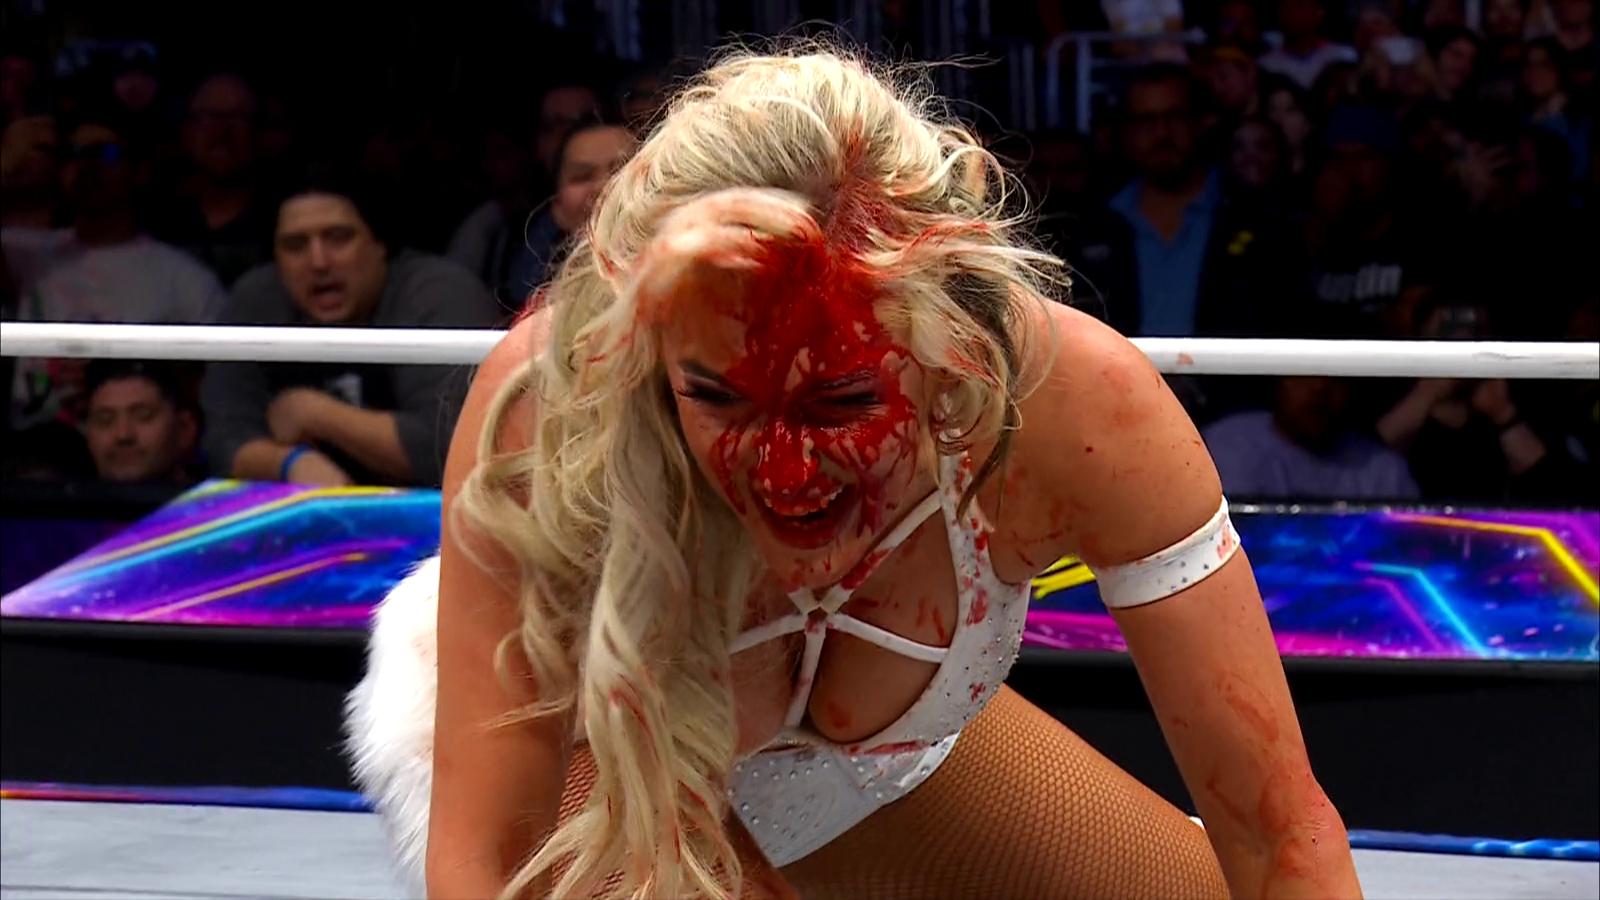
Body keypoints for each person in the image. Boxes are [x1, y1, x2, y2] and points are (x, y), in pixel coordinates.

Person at [345, 49, 1363, 900]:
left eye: (839, 399)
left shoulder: (1078, 402)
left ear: (949, 347)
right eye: (718, 398)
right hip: (597, 752)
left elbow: (1278, 832)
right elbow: (487, 862)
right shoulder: (554, 404)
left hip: (886, 766)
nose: (785, 472)